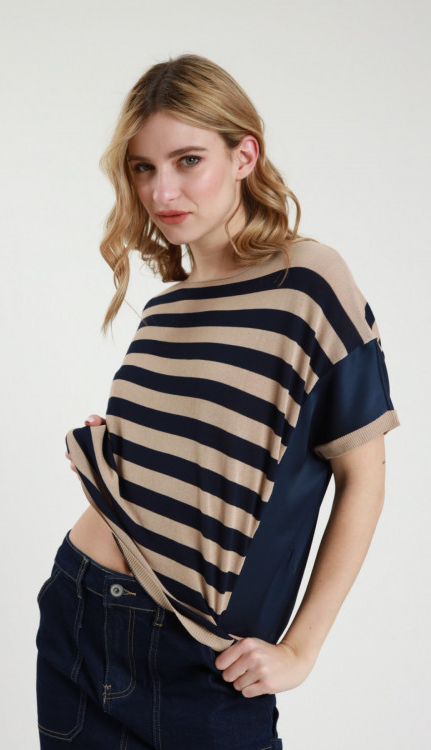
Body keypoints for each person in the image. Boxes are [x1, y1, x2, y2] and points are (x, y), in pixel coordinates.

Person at [35, 54, 401, 749]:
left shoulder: (310, 284)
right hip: (80, 617)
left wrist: (302, 649)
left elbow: (364, 478)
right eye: (143, 167)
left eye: (188, 160)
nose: (161, 189)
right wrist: (121, 457)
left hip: (202, 657)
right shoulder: (163, 311)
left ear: (244, 156)